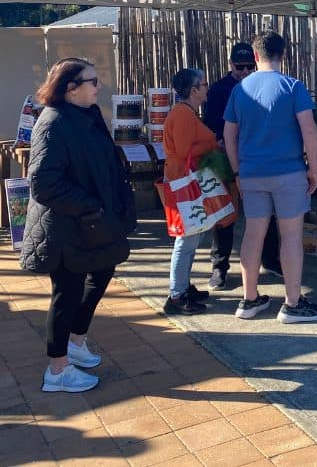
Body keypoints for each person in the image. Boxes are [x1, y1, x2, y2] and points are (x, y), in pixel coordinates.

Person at [20, 58, 136, 393]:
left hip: (94, 223)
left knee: (102, 271)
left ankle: (75, 341)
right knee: (66, 293)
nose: (99, 86)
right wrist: (91, 204)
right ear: (71, 89)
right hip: (66, 227)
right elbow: (43, 183)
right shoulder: (53, 122)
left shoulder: (88, 115)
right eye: (93, 81)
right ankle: (57, 370)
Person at [224, 30, 317, 323]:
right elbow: (309, 130)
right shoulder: (293, 86)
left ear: (255, 56)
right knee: (291, 237)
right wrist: (313, 168)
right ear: (283, 54)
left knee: (253, 235)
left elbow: (228, 133)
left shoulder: (239, 89)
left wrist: (236, 171)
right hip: (288, 173)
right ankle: (292, 304)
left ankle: (249, 299)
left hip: (251, 173)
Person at [204, 41, 280, 290]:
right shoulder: (219, 89)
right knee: (225, 214)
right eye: (240, 67)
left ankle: (269, 258)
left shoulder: (262, 85)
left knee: (264, 211)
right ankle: (220, 266)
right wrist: (222, 141)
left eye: (250, 66)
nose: (245, 71)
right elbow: (210, 122)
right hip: (226, 158)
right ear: (230, 65)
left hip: (255, 159)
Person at [161, 68, 219, 315]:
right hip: (184, 181)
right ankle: (176, 293)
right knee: (186, 239)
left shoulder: (186, 112)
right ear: (193, 90)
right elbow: (185, 152)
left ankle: (182, 286)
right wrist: (212, 144)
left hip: (186, 179)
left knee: (192, 236)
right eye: (204, 85)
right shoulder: (183, 115)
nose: (207, 88)